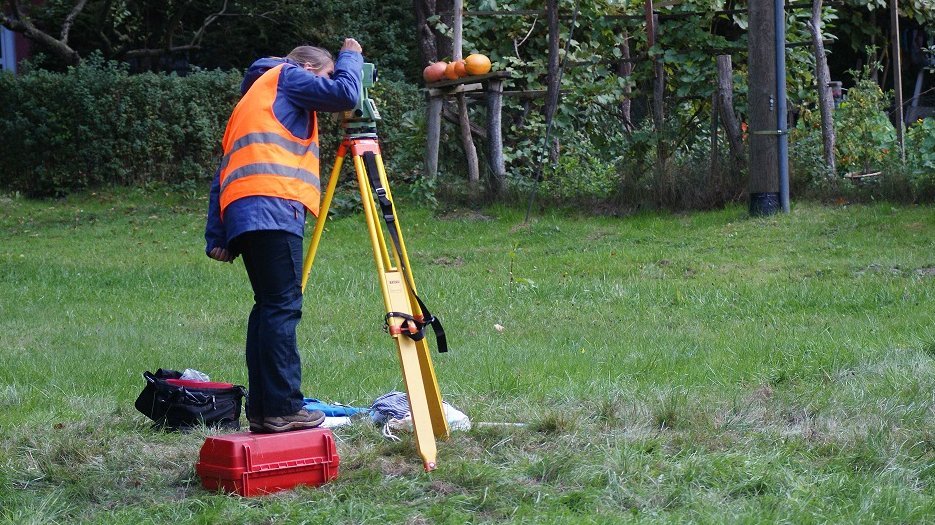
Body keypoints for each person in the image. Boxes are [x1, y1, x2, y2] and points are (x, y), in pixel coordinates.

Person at [204, 39, 363, 433]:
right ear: (309, 69)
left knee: (267, 308)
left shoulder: (254, 99)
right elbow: (346, 93)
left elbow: (222, 171)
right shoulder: (289, 76)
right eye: (324, 76)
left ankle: (263, 411)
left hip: (245, 210)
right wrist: (351, 56)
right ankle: (283, 407)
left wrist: (218, 234)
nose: (323, 88)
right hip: (273, 206)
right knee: (281, 307)